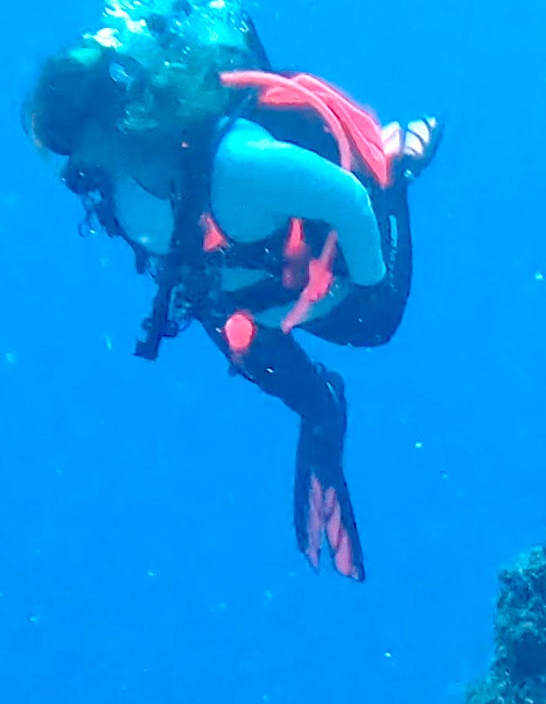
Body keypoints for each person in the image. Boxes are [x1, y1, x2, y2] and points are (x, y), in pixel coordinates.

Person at [27, 35, 436, 580]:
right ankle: (322, 413)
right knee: (298, 392)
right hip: (230, 293)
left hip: (300, 268)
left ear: (107, 125)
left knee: (376, 324)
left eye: (66, 143)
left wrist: (368, 282)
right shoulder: (112, 179)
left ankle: (393, 165)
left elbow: (346, 201)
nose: (67, 167)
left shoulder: (241, 163)